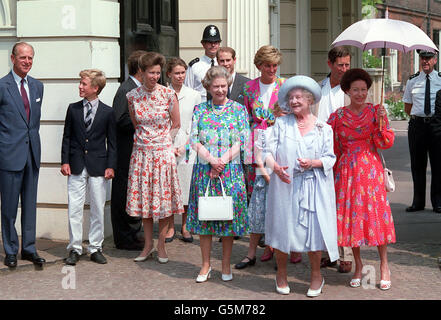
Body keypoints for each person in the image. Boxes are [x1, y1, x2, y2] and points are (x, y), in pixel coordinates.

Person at [264, 75, 338, 297]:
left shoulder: (323, 128)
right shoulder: (280, 123)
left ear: (309, 100)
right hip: (285, 186)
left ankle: (316, 276)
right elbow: (266, 152)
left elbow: (330, 158)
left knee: (313, 233)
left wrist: (313, 163)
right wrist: (275, 167)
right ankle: (282, 275)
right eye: (291, 97)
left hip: (313, 187)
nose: (294, 101)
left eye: (299, 97)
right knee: (282, 230)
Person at [327, 68, 396, 291]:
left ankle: (384, 265)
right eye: (355, 90)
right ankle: (358, 266)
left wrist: (382, 124)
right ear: (347, 90)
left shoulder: (376, 112)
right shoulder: (337, 117)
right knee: (352, 220)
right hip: (347, 173)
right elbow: (333, 148)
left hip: (371, 170)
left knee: (376, 217)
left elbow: (385, 143)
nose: (360, 94)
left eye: (364, 90)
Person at [237, 45, 300, 266]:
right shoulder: (249, 87)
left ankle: (289, 245)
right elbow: (245, 118)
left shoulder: (285, 86)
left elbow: (295, 113)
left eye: (275, 65)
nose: (272, 69)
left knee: (283, 193)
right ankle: (266, 245)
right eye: (267, 65)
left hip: (281, 143)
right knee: (257, 197)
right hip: (256, 145)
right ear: (259, 66)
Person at [186, 66, 250, 282]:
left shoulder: (238, 109)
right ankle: (205, 266)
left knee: (227, 220)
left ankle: (225, 265)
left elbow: (243, 140)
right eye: (216, 87)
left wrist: (222, 160)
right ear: (208, 87)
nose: (221, 90)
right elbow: (193, 139)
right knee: (206, 219)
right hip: (205, 169)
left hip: (230, 170)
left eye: (224, 86)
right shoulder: (200, 110)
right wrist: (212, 160)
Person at [126, 52, 184, 264]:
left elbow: (176, 124)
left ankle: (161, 245)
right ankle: (147, 245)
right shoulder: (132, 96)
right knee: (145, 201)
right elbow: (136, 123)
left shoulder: (169, 94)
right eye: (151, 72)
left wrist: (165, 143)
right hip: (141, 154)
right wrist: (147, 142)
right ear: (141, 72)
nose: (155, 76)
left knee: (164, 201)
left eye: (158, 73)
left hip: (162, 154)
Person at [61, 69, 116, 265]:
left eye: (84, 84)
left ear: (95, 88)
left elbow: (113, 142)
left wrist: (110, 166)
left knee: (97, 208)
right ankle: (75, 247)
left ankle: (95, 247)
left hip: (98, 166)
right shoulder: (73, 109)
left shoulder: (108, 112)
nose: (80, 86)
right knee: (74, 208)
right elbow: (67, 137)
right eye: (80, 83)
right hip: (75, 165)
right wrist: (65, 161)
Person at [0, 42, 45, 268]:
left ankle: (28, 248)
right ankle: (10, 249)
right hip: (9, 155)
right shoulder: (2, 86)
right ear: (12, 58)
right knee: (8, 207)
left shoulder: (38, 86)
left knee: (30, 205)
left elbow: (32, 124)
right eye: (22, 58)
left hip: (31, 155)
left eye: (30, 58)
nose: (27, 62)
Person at [316, 46, 353, 273]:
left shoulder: (351, 91)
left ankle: (345, 253)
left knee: (344, 205)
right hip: (320, 155)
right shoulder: (318, 89)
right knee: (322, 204)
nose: (345, 69)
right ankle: (326, 252)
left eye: (347, 64)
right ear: (330, 64)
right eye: (341, 65)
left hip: (344, 155)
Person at [111, 50, 146, 251]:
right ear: (140, 69)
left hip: (135, 150)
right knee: (123, 192)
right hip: (125, 151)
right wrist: (142, 121)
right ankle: (124, 237)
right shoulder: (126, 89)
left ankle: (134, 232)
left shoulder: (137, 88)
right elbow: (119, 119)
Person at [165, 57, 202, 243]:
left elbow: (196, 123)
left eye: (182, 72)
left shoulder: (194, 94)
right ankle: (170, 227)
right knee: (170, 186)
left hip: (188, 145)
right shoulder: (163, 93)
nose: (180, 76)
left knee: (186, 186)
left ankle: (186, 225)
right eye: (176, 73)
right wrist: (169, 145)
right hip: (167, 145)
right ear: (169, 74)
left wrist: (186, 145)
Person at [403, 50, 441, 213]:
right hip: (417, 126)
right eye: (423, 58)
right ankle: (418, 202)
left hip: (437, 126)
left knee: (438, 165)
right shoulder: (412, 81)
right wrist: (419, 118)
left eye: (428, 58)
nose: (425, 61)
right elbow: (407, 106)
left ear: (435, 60)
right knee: (417, 165)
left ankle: (438, 202)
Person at [184, 24, 221, 102]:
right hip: (200, 107)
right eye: (209, 42)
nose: (213, 45)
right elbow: (188, 90)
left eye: (216, 42)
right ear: (203, 44)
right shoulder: (194, 66)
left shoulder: (222, 65)